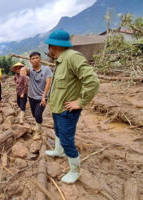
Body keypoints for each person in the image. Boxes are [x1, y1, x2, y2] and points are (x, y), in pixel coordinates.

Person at [44, 29, 99, 184]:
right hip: (57, 107)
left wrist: (80, 102)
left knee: (67, 139)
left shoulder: (72, 57)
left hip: (66, 110)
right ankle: (58, 151)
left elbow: (92, 81)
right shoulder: (61, 60)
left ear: (52, 46)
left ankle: (74, 170)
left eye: (49, 46)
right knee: (57, 131)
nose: (49, 49)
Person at [21, 52, 53, 140]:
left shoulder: (47, 69)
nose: (35, 60)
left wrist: (44, 96)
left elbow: (48, 83)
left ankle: (38, 132)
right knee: (34, 114)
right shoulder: (30, 70)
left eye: (37, 58)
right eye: (33, 59)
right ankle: (38, 125)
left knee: (38, 114)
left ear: (40, 59)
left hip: (42, 97)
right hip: (31, 97)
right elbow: (26, 70)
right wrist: (23, 68)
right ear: (30, 61)